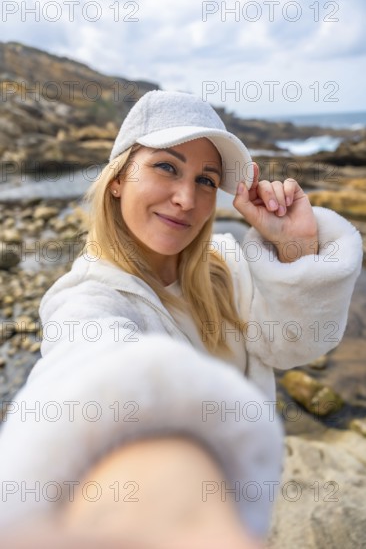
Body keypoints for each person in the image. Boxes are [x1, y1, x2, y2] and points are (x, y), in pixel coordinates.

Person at [0, 91, 362, 547]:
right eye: (166, 167)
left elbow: (297, 344)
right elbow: (92, 375)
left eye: (207, 181)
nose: (186, 198)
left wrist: (294, 247)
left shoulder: (226, 266)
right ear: (117, 178)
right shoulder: (89, 300)